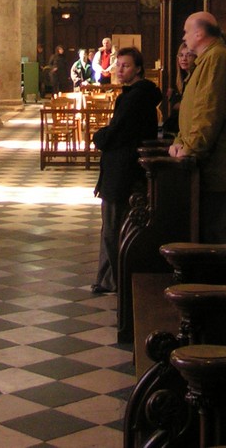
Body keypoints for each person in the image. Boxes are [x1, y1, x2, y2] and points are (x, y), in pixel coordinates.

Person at [168, 11, 226, 243]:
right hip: (207, 169)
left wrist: (190, 148)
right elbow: (193, 112)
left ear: (199, 33)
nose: (184, 37)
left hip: (217, 170)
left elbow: (208, 113)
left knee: (221, 235)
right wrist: (178, 142)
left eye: (186, 31)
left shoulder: (217, 59)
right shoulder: (206, 60)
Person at [91, 46, 161, 293]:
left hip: (122, 171)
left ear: (139, 68)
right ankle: (108, 279)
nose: (120, 70)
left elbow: (118, 131)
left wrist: (99, 136)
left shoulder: (137, 97)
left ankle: (117, 280)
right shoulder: (136, 94)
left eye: (126, 65)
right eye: (118, 65)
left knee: (113, 228)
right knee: (111, 227)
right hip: (121, 169)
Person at [161, 41, 196, 138]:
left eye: (188, 55)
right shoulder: (183, 79)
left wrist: (177, 101)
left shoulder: (195, 77)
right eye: (181, 55)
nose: (184, 59)